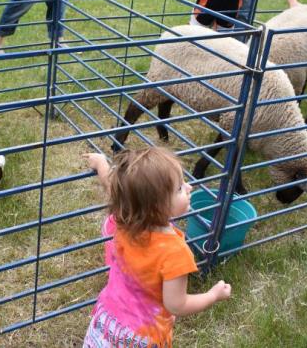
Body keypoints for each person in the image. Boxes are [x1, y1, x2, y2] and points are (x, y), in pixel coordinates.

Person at [82, 148, 231, 347]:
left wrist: (101, 163)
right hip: (140, 338)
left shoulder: (125, 218)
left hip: (106, 322)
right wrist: (213, 295)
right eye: (179, 188)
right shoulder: (175, 253)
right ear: (156, 206)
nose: (190, 187)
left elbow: (113, 188)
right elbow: (177, 305)